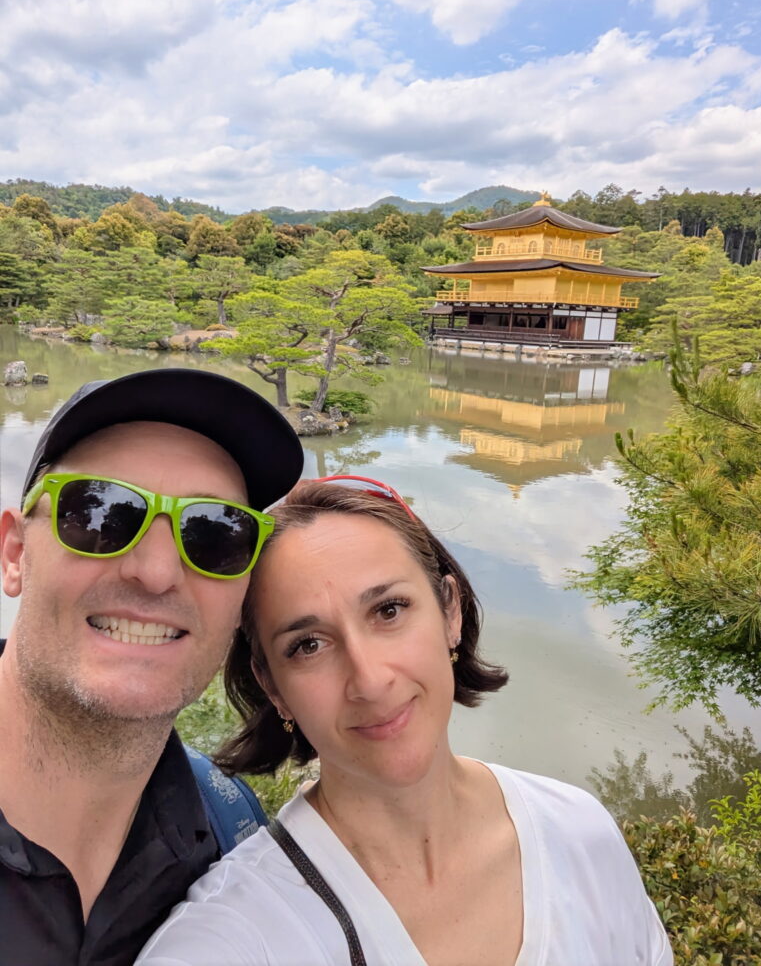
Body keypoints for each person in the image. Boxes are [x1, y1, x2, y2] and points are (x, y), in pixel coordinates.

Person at [138, 476, 673, 966]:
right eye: (308, 645)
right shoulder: (229, 939)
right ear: (273, 685)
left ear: (450, 613)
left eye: (389, 611)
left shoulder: (580, 833)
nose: (369, 681)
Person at [0, 367, 303, 965]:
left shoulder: (233, 834)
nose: (156, 572)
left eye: (215, 534)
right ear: (14, 555)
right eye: (100, 515)